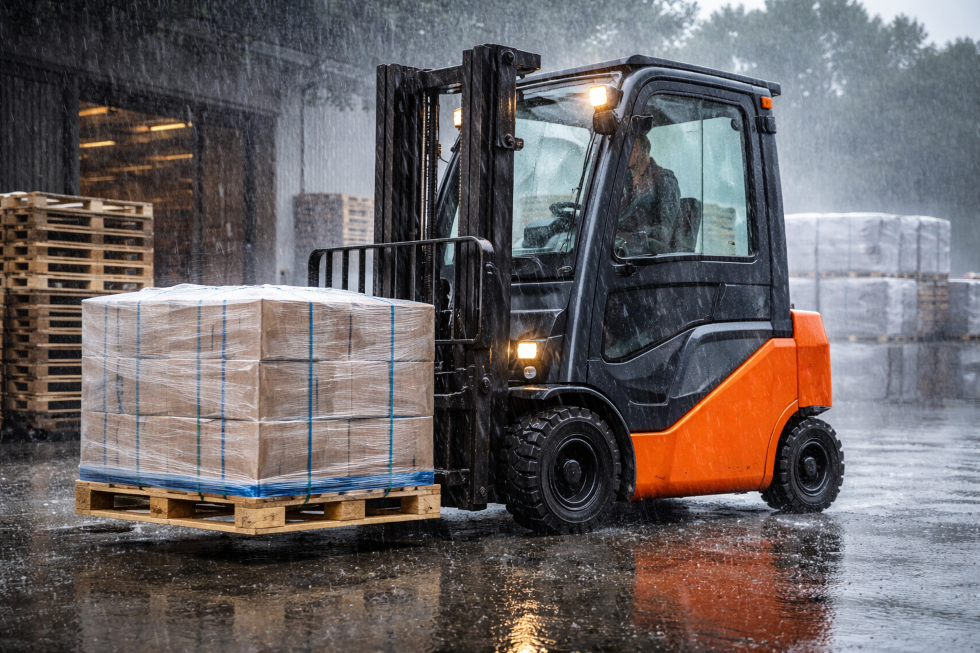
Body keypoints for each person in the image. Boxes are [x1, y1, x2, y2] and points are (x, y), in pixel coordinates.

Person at [618, 132, 680, 255]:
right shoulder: (621, 181)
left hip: (647, 254)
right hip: (619, 247)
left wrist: (636, 235)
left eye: (632, 148)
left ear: (643, 150)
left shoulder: (664, 180)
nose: (626, 152)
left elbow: (665, 230)